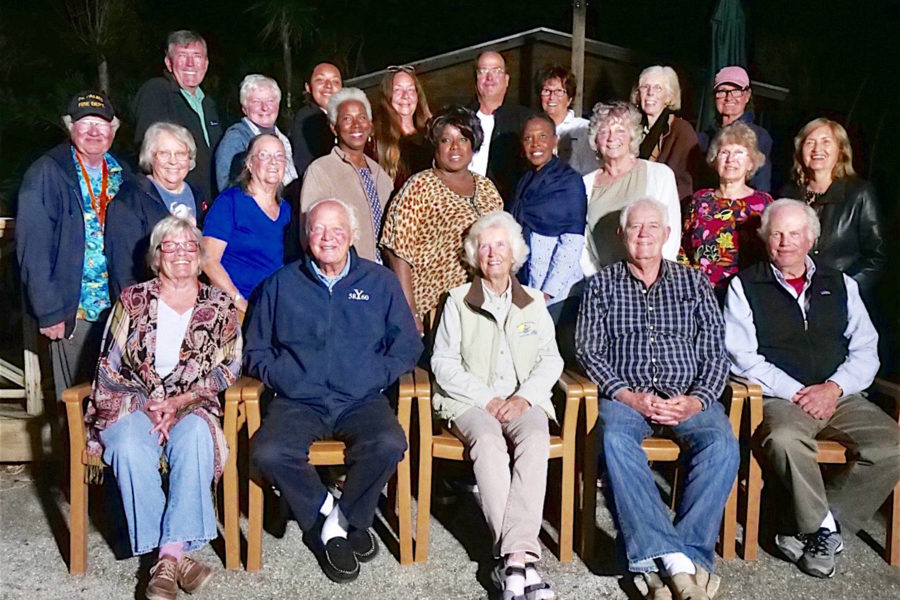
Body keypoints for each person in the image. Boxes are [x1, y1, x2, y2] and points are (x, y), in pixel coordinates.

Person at [246, 198, 422, 584]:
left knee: (390, 443)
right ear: (307, 236)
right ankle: (332, 512)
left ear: (353, 236)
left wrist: (374, 375)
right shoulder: (280, 285)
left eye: (337, 229)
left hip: (360, 399)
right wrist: (288, 379)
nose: (328, 238)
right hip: (298, 400)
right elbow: (255, 351)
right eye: (319, 229)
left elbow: (408, 346)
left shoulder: (379, 282)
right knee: (268, 452)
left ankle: (334, 527)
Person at [724, 199, 900, 579]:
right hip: (781, 397)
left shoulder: (840, 283)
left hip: (841, 395)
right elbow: (741, 357)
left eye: (794, 234)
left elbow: (867, 348)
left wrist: (834, 388)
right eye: (776, 234)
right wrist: (797, 392)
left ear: (811, 239)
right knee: (784, 439)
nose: (785, 242)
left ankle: (818, 524)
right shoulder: (744, 285)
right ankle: (822, 528)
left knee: (891, 445)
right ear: (765, 239)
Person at [576, 197, 738, 600]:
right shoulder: (601, 285)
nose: (644, 234)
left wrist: (698, 400)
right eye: (635, 227)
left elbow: (716, 352)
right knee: (613, 439)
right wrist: (628, 397)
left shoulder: (694, 283)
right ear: (622, 235)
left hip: (687, 398)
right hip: (627, 397)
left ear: (667, 235)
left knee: (722, 444)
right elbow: (588, 351)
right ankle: (683, 568)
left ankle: (671, 561)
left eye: (652, 227)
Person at [84, 216, 242, 600]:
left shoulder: (220, 304)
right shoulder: (133, 300)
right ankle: (174, 558)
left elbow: (231, 366)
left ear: (201, 255)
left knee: (194, 442)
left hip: (193, 403)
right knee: (127, 446)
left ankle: (165, 557)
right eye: (171, 246)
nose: (182, 254)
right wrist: (148, 403)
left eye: (190, 246)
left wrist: (180, 401)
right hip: (131, 401)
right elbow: (109, 361)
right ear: (156, 257)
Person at [431, 211, 563, 600]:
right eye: (484, 246)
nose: (492, 253)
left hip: (524, 399)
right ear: (473, 254)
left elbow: (551, 359)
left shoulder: (534, 301)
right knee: (487, 443)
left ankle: (511, 562)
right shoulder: (457, 301)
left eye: (500, 245)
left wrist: (523, 398)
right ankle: (521, 561)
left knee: (536, 439)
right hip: (472, 402)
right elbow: (443, 362)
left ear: (514, 253)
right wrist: (487, 399)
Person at [17, 91, 129, 401]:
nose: (94, 131)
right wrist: (50, 311)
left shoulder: (123, 173)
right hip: (73, 312)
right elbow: (32, 249)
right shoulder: (47, 172)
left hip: (119, 313)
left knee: (117, 404)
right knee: (75, 405)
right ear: (70, 128)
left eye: (101, 124)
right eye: (85, 123)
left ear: (113, 130)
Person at [380, 105, 504, 334]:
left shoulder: (487, 188)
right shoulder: (419, 187)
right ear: (435, 146)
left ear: (473, 144)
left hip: (484, 307)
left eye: (463, 139)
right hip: (437, 311)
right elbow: (398, 253)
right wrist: (411, 313)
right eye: (446, 140)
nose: (455, 147)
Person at [781, 118, 886, 304]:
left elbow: (876, 257)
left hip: (840, 302)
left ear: (841, 150)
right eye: (810, 142)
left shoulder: (859, 193)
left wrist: (842, 289)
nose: (817, 149)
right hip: (792, 299)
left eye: (826, 142)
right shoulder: (788, 193)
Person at [510, 113, 585, 362]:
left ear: (555, 141)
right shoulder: (524, 181)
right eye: (528, 139)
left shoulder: (569, 181)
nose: (536, 144)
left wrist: (546, 294)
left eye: (542, 137)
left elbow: (572, 243)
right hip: (526, 287)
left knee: (547, 357)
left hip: (558, 294)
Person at [581, 101, 680, 278]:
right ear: (596, 139)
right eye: (604, 132)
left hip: (654, 280)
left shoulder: (660, 175)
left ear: (632, 136)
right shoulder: (584, 185)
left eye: (620, 131)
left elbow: (669, 236)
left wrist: (657, 280)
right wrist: (599, 281)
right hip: (605, 283)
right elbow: (583, 245)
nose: (612, 138)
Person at [106, 122, 205, 300]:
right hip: (149, 304)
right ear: (150, 157)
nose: (173, 161)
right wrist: (139, 311)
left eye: (181, 154)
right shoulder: (129, 200)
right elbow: (122, 270)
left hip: (190, 302)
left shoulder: (199, 198)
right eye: (164, 153)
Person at [679, 122, 772, 294]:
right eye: (724, 153)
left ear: (751, 163)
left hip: (744, 295)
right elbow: (683, 247)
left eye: (739, 153)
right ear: (715, 160)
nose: (730, 160)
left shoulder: (763, 204)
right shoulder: (700, 199)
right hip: (697, 292)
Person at [300, 88, 392, 263]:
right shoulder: (321, 171)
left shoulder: (381, 174)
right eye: (347, 119)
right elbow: (308, 235)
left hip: (382, 275)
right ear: (334, 128)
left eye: (362, 117)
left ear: (370, 125)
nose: (356, 125)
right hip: (345, 275)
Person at [202, 134, 291, 313]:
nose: (273, 162)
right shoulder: (229, 202)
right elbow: (208, 261)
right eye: (264, 155)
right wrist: (240, 302)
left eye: (279, 156)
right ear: (249, 164)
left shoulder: (287, 209)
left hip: (276, 308)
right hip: (237, 309)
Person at [133, 30, 223, 202]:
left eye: (196, 56)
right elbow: (147, 153)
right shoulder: (156, 92)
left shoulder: (209, 103)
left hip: (206, 205)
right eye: (182, 55)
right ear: (168, 63)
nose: (190, 63)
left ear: (205, 63)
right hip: (172, 203)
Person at [214, 74, 298, 192]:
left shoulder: (283, 139)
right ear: (244, 108)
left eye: (270, 101)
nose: (264, 107)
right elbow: (225, 187)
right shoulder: (236, 138)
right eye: (256, 102)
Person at [631, 65, 700, 208]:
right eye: (645, 87)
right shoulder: (630, 127)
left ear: (669, 97)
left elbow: (686, 182)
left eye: (658, 88)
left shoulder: (681, 130)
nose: (650, 93)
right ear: (638, 94)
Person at [469, 51, 531, 207]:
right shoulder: (460, 119)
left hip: (506, 212)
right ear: (476, 78)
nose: (489, 78)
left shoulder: (525, 120)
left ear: (507, 79)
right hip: (461, 208)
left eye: (496, 71)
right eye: (483, 71)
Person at [698, 66, 772, 193]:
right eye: (722, 91)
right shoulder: (702, 139)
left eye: (736, 91)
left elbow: (761, 184)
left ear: (747, 95)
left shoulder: (759, 137)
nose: (729, 98)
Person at [370, 65, 433, 190]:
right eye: (398, 90)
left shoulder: (432, 135)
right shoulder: (375, 143)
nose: (405, 96)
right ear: (388, 96)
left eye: (410, 89)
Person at [536, 65, 599, 176]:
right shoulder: (533, 129)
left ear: (569, 99)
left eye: (559, 91)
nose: (552, 97)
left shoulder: (583, 129)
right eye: (546, 91)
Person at [291, 62, 343, 177]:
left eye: (335, 81)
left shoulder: (342, 117)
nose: (328, 86)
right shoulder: (307, 119)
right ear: (308, 87)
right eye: (320, 80)